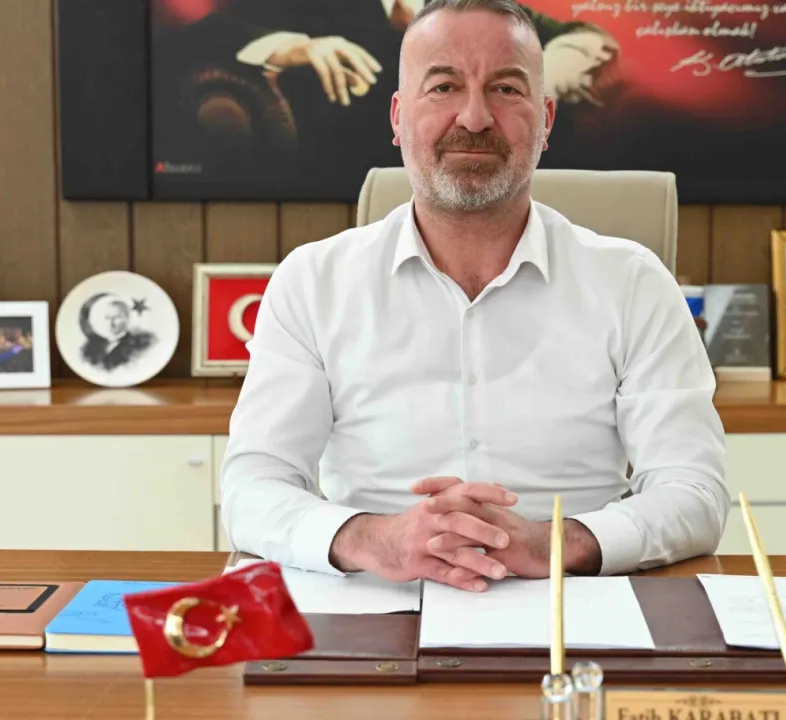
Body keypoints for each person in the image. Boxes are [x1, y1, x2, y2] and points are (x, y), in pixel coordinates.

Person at [220, 0, 728, 593]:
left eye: (506, 89)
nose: (475, 117)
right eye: (443, 86)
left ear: (546, 120)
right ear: (398, 116)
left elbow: (694, 492)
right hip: (375, 605)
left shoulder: (634, 283)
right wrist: (376, 539)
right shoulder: (313, 282)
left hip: (574, 607)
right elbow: (253, 487)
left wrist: (554, 544)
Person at [155, 0, 617, 194]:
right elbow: (203, 34)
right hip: (339, 171)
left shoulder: (472, 4)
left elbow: (581, 36)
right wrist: (296, 46)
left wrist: (536, 77)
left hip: (476, 177)